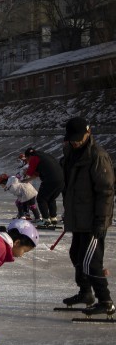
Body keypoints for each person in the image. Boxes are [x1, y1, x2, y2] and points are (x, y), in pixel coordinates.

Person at [59, 116, 115, 316]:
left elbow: (106, 191)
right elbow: (70, 189)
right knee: (76, 255)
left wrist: (101, 222)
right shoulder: (70, 154)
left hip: (93, 220)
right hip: (78, 218)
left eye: (79, 138)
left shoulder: (97, 156)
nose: (75, 141)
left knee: (91, 261)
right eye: (72, 138)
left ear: (88, 132)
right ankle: (86, 293)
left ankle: (106, 301)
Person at [21, 146, 64, 226]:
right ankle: (53, 218)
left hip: (50, 180)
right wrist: (25, 181)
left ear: (29, 156)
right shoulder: (43, 156)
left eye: (27, 159)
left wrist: (24, 173)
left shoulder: (34, 158)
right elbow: (36, 174)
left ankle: (45, 220)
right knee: (51, 198)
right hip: (61, 180)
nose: (27, 162)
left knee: (41, 199)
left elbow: (29, 173)